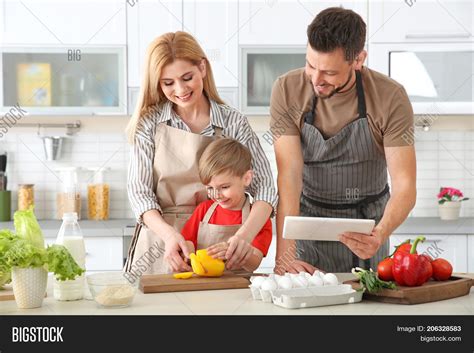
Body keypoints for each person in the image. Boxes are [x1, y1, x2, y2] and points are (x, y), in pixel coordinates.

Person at [270, 7, 416, 274]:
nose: (316, 79)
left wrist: (379, 233)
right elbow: (289, 176)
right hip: (309, 222)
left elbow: (405, 184)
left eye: (329, 72)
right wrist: (284, 257)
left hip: (368, 225)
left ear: (358, 59)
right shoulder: (286, 90)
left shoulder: (390, 97)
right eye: (310, 65)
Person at [124, 31, 277, 275]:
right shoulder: (149, 123)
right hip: (161, 242)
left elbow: (266, 189)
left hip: (218, 240)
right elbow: (140, 194)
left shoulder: (233, 123)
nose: (180, 89)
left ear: (202, 68)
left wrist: (243, 237)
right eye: (168, 83)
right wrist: (170, 235)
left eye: (187, 77)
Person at [181, 138, 272, 272]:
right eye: (210, 188)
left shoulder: (258, 219)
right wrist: (188, 256)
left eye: (224, 187)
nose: (216, 195)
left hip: (239, 286)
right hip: (202, 284)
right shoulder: (204, 210)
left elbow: (255, 263)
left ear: (246, 178)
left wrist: (236, 252)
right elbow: (188, 241)